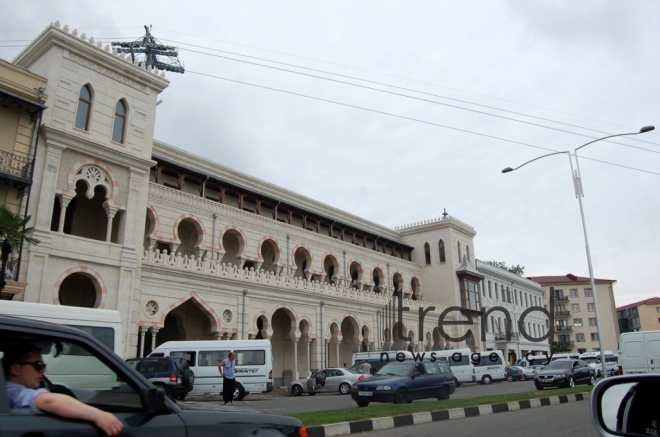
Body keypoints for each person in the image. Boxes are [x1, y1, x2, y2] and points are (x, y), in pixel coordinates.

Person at [3, 343, 123, 436]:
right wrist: (99, 416)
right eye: (38, 365)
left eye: (43, 366)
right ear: (16, 370)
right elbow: (49, 401)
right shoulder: (11, 391)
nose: (43, 370)